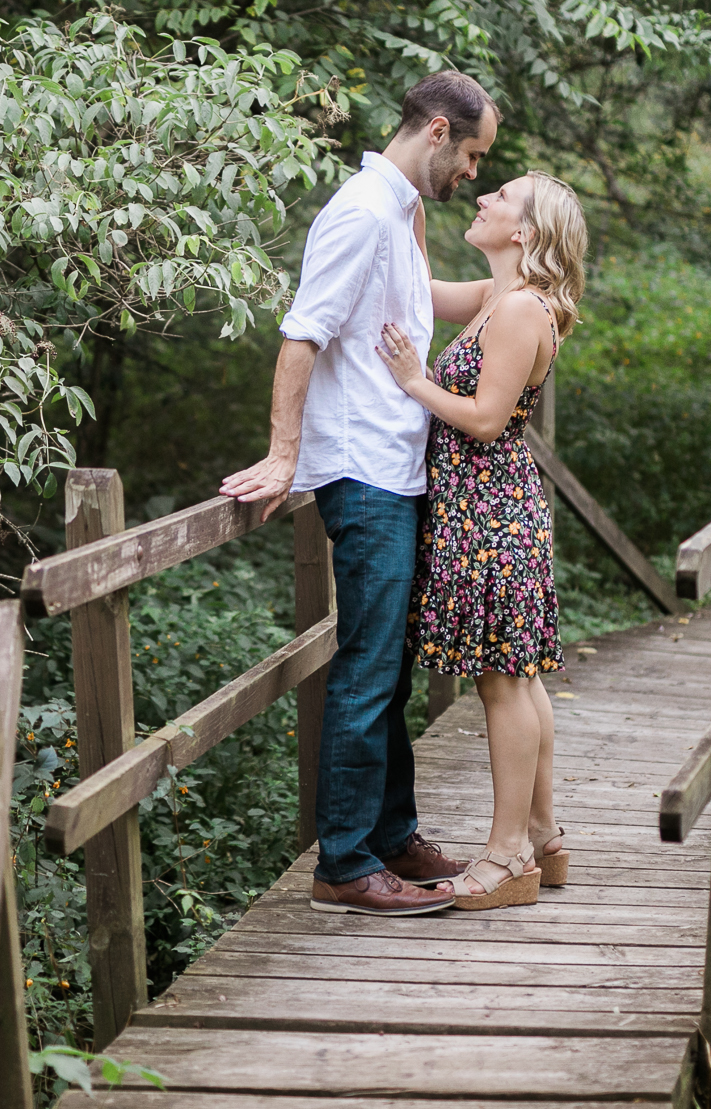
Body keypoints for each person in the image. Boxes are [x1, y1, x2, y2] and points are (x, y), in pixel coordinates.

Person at [219, 71, 498, 917]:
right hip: (364, 473)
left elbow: (417, 323)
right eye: (476, 156)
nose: (475, 176)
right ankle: (344, 861)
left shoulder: (403, 214)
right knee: (369, 667)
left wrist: (531, 284)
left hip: (398, 465)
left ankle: (391, 832)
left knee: (392, 663)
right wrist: (283, 452)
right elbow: (302, 334)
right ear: (441, 132)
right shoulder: (360, 211)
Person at [375, 170, 587, 909]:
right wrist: (404, 200)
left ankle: (507, 857)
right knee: (518, 676)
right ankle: (544, 834)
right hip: (484, 509)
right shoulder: (495, 296)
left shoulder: (522, 309)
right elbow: (416, 282)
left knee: (502, 680)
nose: (484, 198)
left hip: (492, 513)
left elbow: (487, 418)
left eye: (500, 197)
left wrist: (412, 380)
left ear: (524, 231)